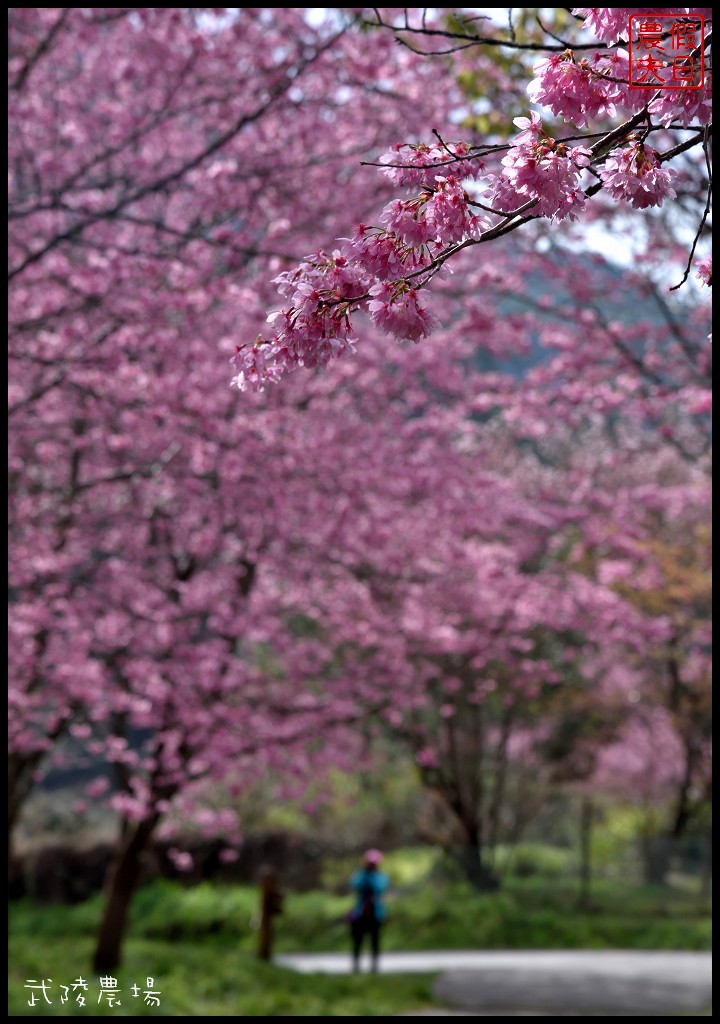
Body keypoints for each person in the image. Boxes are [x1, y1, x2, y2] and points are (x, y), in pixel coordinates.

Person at [348, 848, 389, 974]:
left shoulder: (381, 877)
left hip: (375, 914)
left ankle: (374, 968)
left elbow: (380, 888)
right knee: (357, 941)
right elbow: (355, 885)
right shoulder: (359, 874)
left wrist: (371, 877)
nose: (371, 865)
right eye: (369, 863)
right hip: (360, 913)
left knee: (374, 941)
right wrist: (365, 874)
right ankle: (356, 967)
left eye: (373, 863)